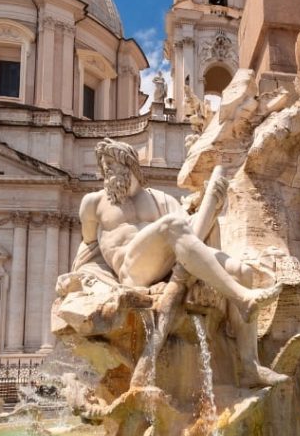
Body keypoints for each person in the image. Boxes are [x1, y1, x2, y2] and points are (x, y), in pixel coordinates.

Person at [76, 138, 285, 387]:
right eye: (103, 165)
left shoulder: (161, 199)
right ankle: (242, 298)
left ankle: (250, 366)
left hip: (170, 265)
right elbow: (88, 248)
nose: (105, 170)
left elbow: (191, 237)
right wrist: (86, 280)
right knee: (172, 224)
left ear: (128, 163)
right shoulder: (93, 202)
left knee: (243, 271)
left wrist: (213, 205)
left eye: (110, 162)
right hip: (132, 271)